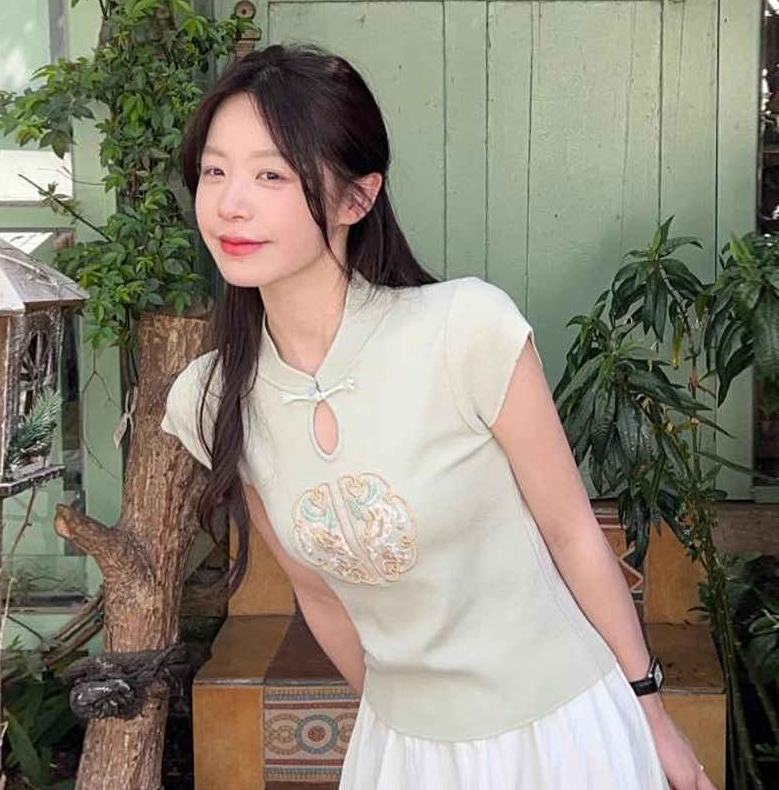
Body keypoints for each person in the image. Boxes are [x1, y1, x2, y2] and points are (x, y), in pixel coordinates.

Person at [161, 42, 716, 790]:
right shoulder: (211, 398)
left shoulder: (464, 330)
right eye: (215, 171)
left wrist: (650, 711)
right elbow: (317, 593)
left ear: (357, 199)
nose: (231, 203)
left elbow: (572, 532)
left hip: (560, 733)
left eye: (271, 175)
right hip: (403, 751)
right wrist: (407, 737)